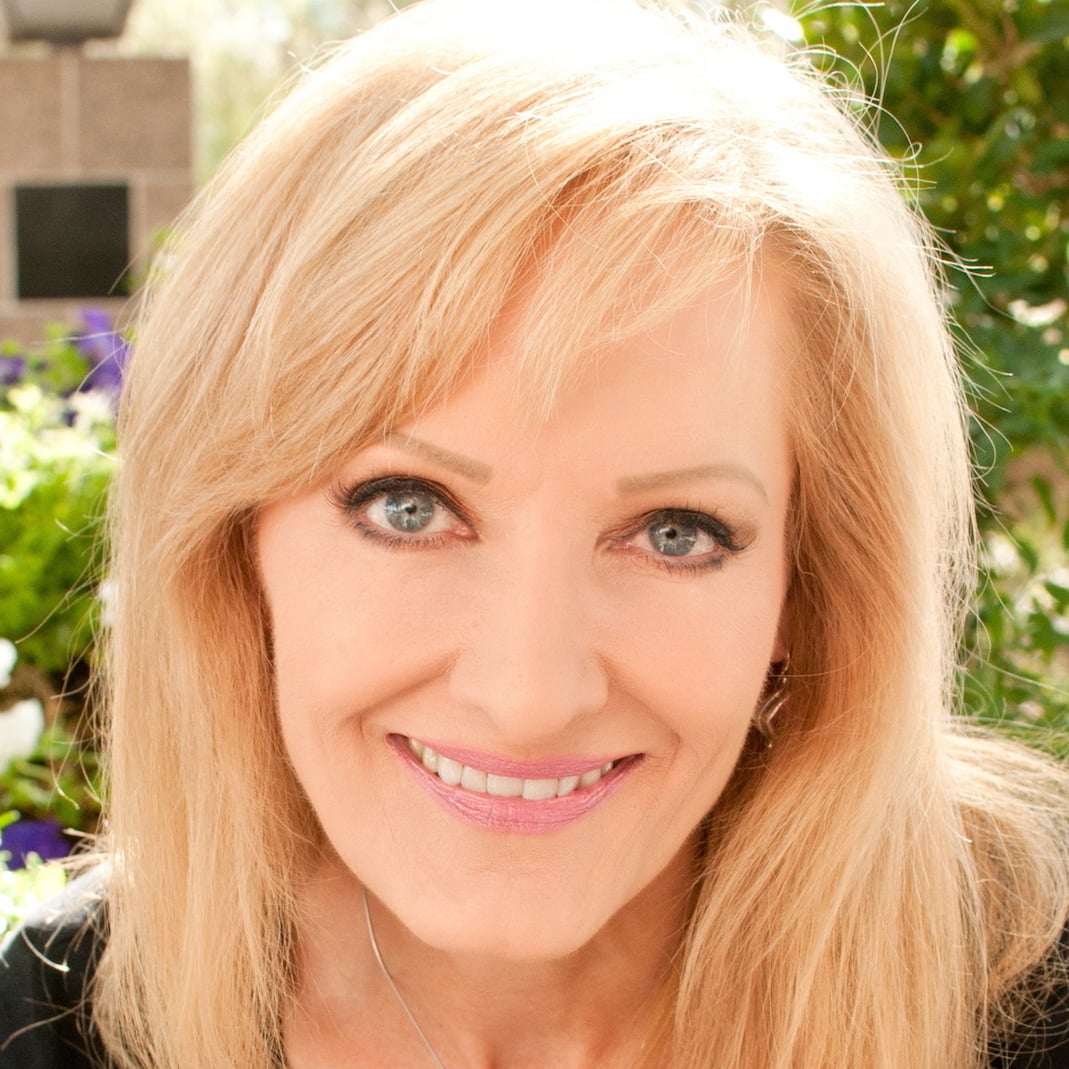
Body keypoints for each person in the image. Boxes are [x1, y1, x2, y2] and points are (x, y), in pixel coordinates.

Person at [2, 1, 1068, 1066]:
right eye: (408, 508)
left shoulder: (1027, 998)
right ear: (235, 544)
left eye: (676, 533)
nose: (528, 699)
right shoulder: (43, 1024)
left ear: (808, 583)